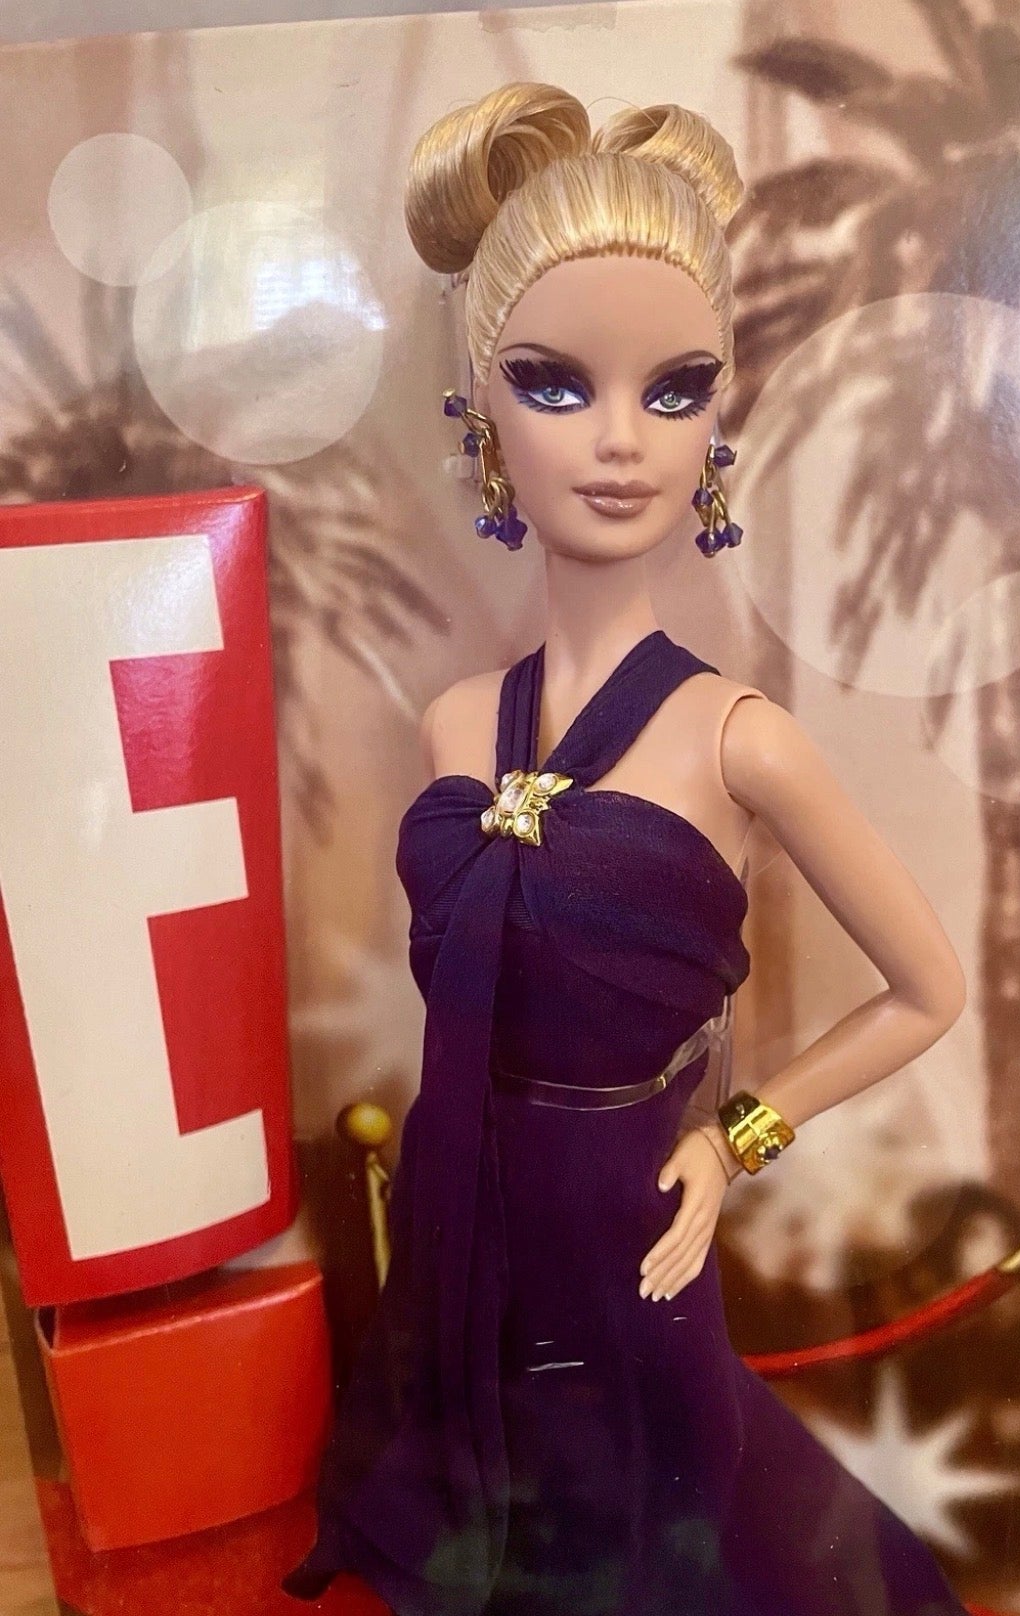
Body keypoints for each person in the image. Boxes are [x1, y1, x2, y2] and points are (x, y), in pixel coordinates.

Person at [283, 81, 969, 1616]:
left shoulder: (739, 740)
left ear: (718, 417)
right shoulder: (456, 724)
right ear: (482, 410)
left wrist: (736, 1143)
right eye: (553, 383)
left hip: (635, 1223)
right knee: (505, 1539)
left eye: (672, 390)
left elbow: (930, 989)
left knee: (669, 1532)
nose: (616, 442)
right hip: (472, 1221)